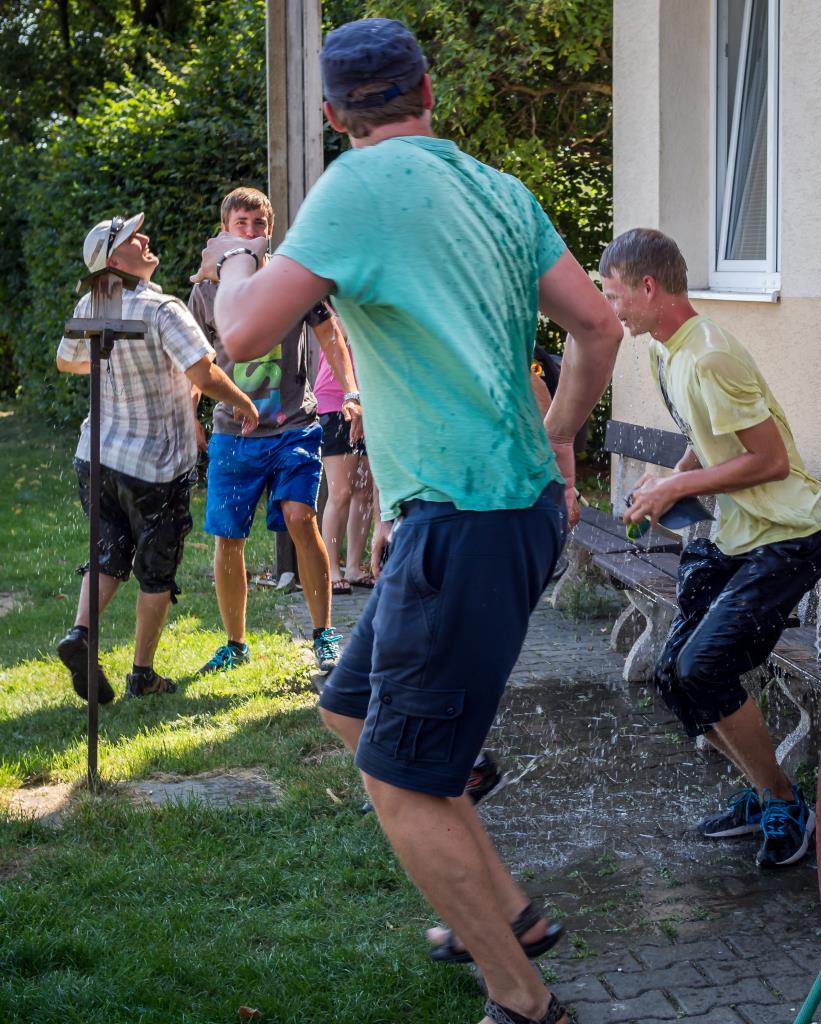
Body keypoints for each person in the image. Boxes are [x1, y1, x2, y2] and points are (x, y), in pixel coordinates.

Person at [193, 19, 621, 1024]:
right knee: (351, 708)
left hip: (467, 520)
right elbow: (598, 325)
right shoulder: (498, 189)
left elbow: (240, 333)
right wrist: (559, 437)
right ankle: (507, 914)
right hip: (487, 509)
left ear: (334, 115)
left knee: (397, 778)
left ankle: (524, 1001)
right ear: (429, 90)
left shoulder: (354, 187)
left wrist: (236, 255)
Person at [601, 227, 821, 868]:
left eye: (616, 295)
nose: (612, 309)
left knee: (703, 666)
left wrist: (677, 485)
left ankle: (785, 802)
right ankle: (765, 793)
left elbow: (770, 461)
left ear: (649, 287)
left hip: (791, 534)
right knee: (675, 676)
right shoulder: (666, 352)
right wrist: (668, 476)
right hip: (742, 533)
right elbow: (707, 436)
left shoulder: (709, 354)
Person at [55, 212, 259, 700]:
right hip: (155, 463)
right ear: (114, 260)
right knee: (156, 568)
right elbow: (204, 374)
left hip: (96, 456)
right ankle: (142, 675)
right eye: (131, 236)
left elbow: (66, 361)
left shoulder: (92, 302)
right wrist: (243, 403)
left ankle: (81, 633)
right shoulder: (163, 308)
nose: (144, 237)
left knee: (108, 551)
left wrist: (115, 367)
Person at [188, 187, 360, 676]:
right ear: (224, 231)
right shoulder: (205, 292)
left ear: (270, 230)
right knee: (228, 538)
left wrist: (351, 392)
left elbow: (330, 335)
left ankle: (324, 634)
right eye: (239, 224)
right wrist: (189, 413)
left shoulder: (292, 280)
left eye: (258, 224)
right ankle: (235, 643)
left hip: (294, 427)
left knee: (301, 517)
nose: (249, 232)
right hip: (233, 433)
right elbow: (193, 360)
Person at [315, 340, 375, 594]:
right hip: (335, 402)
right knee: (340, 492)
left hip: (370, 402)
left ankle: (353, 567)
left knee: (365, 492)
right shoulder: (334, 314)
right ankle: (330, 568)